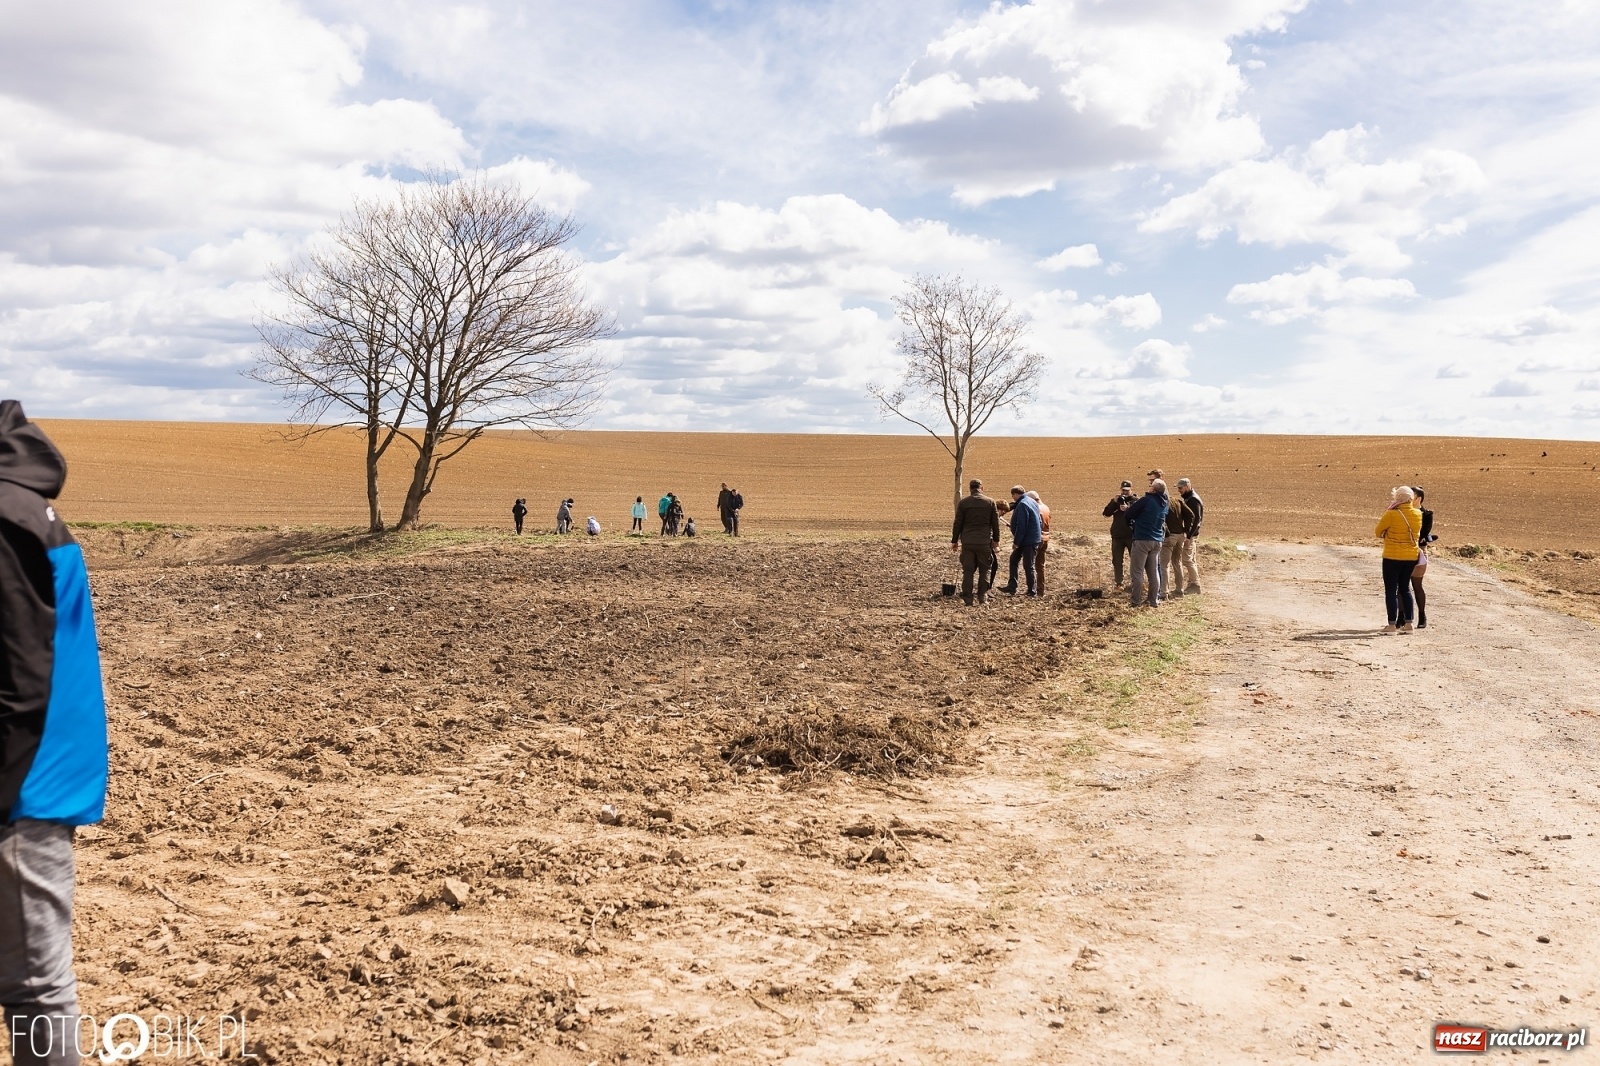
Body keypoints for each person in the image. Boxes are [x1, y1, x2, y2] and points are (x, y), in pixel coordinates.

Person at [0, 401, 109, 1066]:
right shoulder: (18, 503)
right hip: (30, 773)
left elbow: (20, 682)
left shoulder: (5, 516)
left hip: (22, 788)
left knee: (36, 991)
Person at [1374, 486, 1423, 633]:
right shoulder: (1418, 514)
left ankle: (1391, 625)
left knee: (1390, 590)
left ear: (1397, 498)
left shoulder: (1391, 514)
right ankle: (1409, 623)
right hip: (1410, 557)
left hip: (1392, 556)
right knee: (1405, 588)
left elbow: (1378, 532)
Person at [951, 478, 1001, 605]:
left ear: (970, 488)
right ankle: (982, 597)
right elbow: (995, 523)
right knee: (985, 570)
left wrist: (955, 540)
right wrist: (996, 540)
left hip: (967, 541)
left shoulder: (963, 503)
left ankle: (968, 598)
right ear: (982, 488)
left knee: (968, 570)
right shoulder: (990, 502)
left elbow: (958, 523)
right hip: (984, 541)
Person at [1124, 478, 1169, 607]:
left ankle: (1135, 601)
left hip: (1142, 539)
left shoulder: (1146, 500)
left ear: (1153, 489)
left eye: (1151, 486)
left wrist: (1132, 525)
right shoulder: (1165, 503)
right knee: (1154, 572)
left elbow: (1128, 514)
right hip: (1157, 541)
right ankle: (1153, 600)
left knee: (1137, 572)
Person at [998, 485, 1043, 597]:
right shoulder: (1031, 502)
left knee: (1028, 565)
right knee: (1014, 559)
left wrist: (1016, 542)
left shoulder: (1023, 505)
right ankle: (1012, 586)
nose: (1013, 498)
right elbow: (1039, 520)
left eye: (1012, 496)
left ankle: (1032, 591)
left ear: (1015, 494)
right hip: (1030, 538)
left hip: (1027, 540)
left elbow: (1022, 525)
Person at [1410, 486, 1436, 629]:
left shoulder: (1427, 515)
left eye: (1411, 495)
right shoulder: (1402, 512)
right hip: (1405, 550)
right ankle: (1402, 617)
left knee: (1417, 584)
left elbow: (1423, 533)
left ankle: (1421, 615)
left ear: (1418, 499)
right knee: (1402, 587)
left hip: (1419, 551)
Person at [1102, 480, 1137, 588]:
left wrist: (1128, 508)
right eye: (1123, 490)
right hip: (1117, 536)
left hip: (1132, 535)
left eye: (1127, 490)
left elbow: (1140, 513)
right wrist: (1114, 502)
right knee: (1117, 561)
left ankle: (1136, 582)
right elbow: (1106, 513)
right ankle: (1119, 582)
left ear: (1131, 490)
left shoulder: (1136, 501)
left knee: (1135, 560)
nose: (1125, 493)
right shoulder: (1116, 501)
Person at [1159, 488, 1191, 600]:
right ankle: (1179, 590)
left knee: (1164, 565)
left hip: (1169, 537)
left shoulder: (1162, 503)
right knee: (1177, 563)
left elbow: (1161, 519)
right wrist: (1186, 531)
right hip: (1180, 536)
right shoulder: (1177, 501)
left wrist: (1166, 533)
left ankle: (1164, 593)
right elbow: (1190, 515)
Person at [1176, 478, 1204, 594]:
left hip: (1191, 535)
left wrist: (1188, 536)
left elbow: (1196, 519)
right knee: (1191, 559)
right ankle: (1193, 583)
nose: (1179, 490)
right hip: (1192, 534)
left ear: (1187, 486)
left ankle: (1195, 584)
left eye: (1180, 488)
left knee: (1187, 560)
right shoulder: (1191, 498)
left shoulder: (1192, 500)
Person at [1026, 489, 1050, 596]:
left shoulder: (1035, 508)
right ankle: (1041, 590)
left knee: (1030, 565)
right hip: (1046, 538)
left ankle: (1032, 590)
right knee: (1040, 566)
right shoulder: (1046, 507)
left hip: (1036, 538)